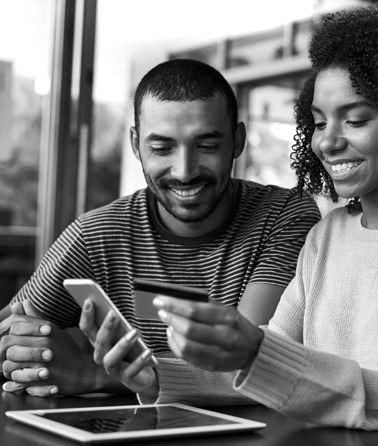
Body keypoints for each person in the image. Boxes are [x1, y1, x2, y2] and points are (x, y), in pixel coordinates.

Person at [81, 3, 378, 445]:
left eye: (356, 119)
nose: (328, 141)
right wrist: (154, 375)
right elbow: (265, 366)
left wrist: (258, 353)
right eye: (319, 122)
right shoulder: (329, 233)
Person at [0, 59, 321, 397]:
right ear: (136, 145)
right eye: (162, 148)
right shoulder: (96, 235)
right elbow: (12, 329)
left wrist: (92, 374)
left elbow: (248, 367)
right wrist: (28, 351)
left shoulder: (284, 216)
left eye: (207, 145)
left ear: (237, 142)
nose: (184, 171)